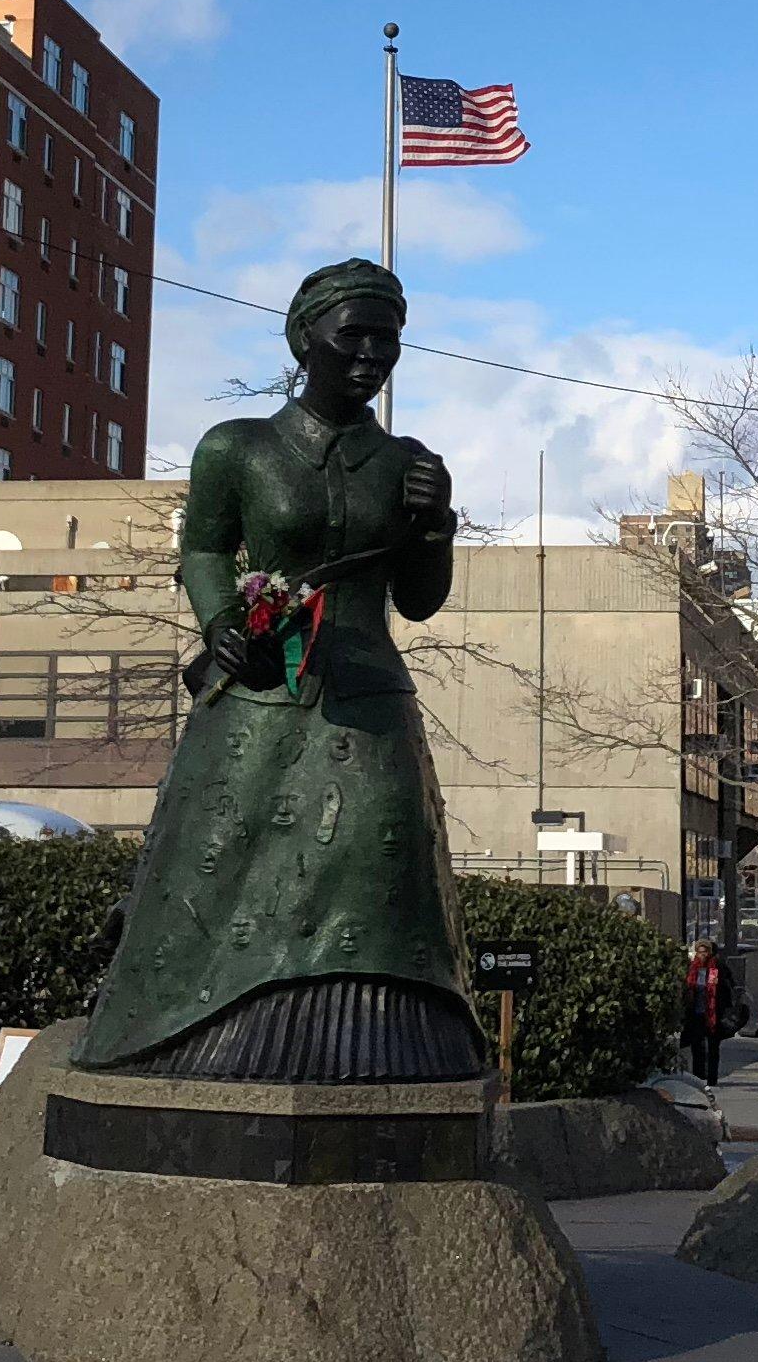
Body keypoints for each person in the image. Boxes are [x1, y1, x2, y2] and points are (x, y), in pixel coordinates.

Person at [76, 259, 486, 1083]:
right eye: (355, 335)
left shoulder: (406, 459)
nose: (373, 353)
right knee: (221, 862)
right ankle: (193, 1048)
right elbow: (202, 550)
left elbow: (420, 601)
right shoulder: (240, 447)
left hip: (368, 704)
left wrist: (435, 523)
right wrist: (223, 621)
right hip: (258, 694)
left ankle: (379, 1053)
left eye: (390, 338)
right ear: (306, 339)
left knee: (376, 871)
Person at [682, 939, 733, 1084]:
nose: (702, 955)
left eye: (705, 952)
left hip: (713, 1014)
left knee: (713, 1048)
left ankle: (712, 1078)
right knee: (696, 1046)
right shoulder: (692, 969)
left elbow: (727, 988)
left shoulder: (717, 968)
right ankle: (698, 1076)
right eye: (699, 952)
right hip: (696, 1014)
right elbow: (687, 988)